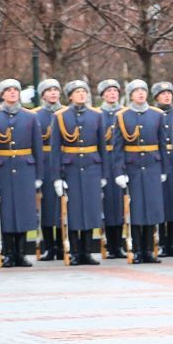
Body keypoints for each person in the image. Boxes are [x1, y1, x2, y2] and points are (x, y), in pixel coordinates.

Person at [0, 79, 45, 267]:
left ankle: (22, 253)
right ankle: (9, 252)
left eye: (15, 90)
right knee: (7, 212)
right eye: (8, 90)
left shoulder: (30, 117)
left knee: (24, 211)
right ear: (2, 94)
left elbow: (37, 148)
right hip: (3, 169)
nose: (12, 93)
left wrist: (39, 176)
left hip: (25, 168)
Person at [112, 80, 168, 264]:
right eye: (137, 91)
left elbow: (162, 144)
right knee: (135, 210)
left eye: (143, 90)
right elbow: (118, 147)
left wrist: (164, 169)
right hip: (132, 167)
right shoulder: (122, 116)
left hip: (152, 166)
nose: (141, 94)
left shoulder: (157, 115)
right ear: (131, 95)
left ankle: (149, 250)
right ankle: (136, 250)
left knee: (151, 209)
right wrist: (119, 171)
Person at [52, 81, 106, 266]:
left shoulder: (96, 116)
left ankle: (87, 251)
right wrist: (57, 177)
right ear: (70, 96)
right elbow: (55, 150)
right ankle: (74, 251)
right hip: (71, 168)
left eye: (84, 91)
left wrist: (104, 174)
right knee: (74, 211)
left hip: (92, 167)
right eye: (78, 92)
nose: (82, 94)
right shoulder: (60, 116)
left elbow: (102, 147)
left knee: (90, 210)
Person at [152, 83, 173, 257]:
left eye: (169, 93)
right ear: (156, 97)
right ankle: (160, 241)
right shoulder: (152, 114)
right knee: (160, 203)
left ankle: (172, 243)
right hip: (157, 161)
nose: (166, 96)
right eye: (162, 93)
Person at [34, 79, 65, 261]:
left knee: (61, 204)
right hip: (44, 161)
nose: (53, 93)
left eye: (56, 89)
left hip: (62, 159)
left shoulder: (67, 113)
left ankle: (62, 245)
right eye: (49, 90)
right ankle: (48, 246)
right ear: (43, 95)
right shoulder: (35, 115)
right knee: (46, 205)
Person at [97, 79, 126, 259]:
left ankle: (119, 244)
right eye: (108, 91)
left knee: (121, 203)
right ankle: (108, 242)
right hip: (103, 159)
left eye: (115, 90)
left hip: (121, 160)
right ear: (102, 95)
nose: (112, 94)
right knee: (107, 203)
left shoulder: (125, 113)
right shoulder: (97, 114)